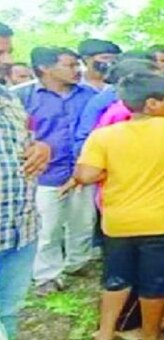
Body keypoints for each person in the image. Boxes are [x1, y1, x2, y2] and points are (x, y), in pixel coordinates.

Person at [75, 72, 164, 340]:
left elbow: (85, 174)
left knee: (115, 280)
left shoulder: (104, 135)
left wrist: (112, 172)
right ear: (152, 103)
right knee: (156, 284)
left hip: (118, 223)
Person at [13, 47, 97, 295]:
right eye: (69, 65)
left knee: (82, 221)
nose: (77, 70)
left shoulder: (88, 94)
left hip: (83, 170)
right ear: (45, 68)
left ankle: (77, 262)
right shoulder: (23, 96)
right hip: (45, 173)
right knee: (47, 227)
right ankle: (47, 275)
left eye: (76, 65)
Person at [0, 70, 51, 340]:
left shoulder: (9, 98)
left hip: (19, 229)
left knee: (6, 314)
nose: (6, 61)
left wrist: (42, 148)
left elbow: (26, 144)